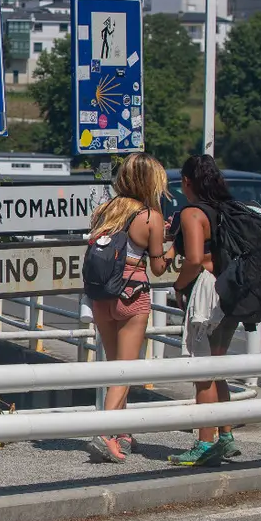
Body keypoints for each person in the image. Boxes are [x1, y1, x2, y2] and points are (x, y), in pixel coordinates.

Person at [84, 153, 171, 464]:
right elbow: (159, 268)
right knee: (126, 370)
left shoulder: (103, 212)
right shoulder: (149, 217)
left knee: (113, 367)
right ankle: (105, 433)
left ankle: (122, 432)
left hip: (101, 296)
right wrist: (171, 250)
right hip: (133, 295)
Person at [166, 154, 243, 467]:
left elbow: (195, 260)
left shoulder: (193, 213)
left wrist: (178, 285)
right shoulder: (226, 208)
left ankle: (204, 443)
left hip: (207, 292)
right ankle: (225, 437)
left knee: (202, 373)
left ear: (187, 182)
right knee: (217, 366)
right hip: (232, 290)